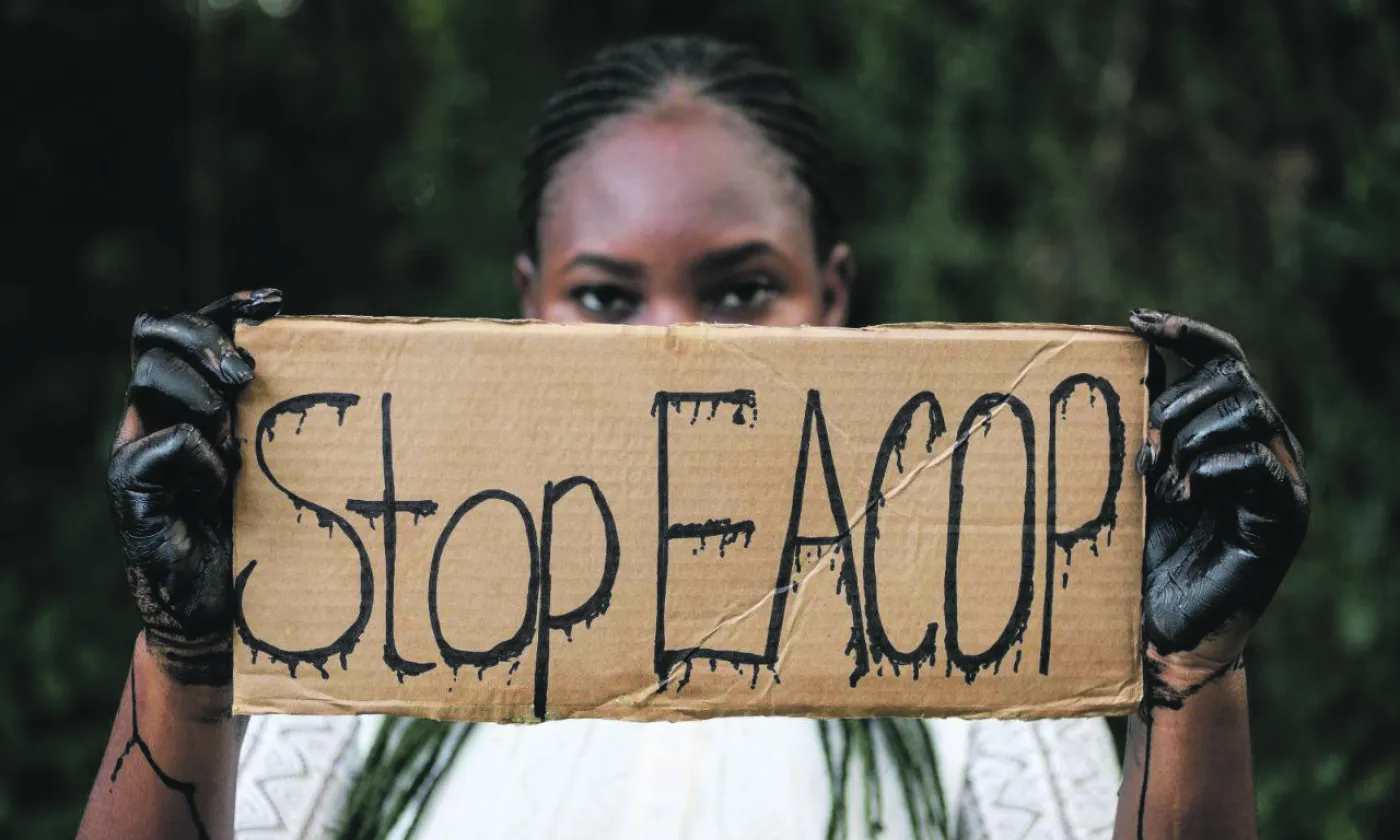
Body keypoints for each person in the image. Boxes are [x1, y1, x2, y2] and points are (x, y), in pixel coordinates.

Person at [77, 35, 1310, 840]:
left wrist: (1192, 674)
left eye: (737, 291)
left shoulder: (972, 694)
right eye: (606, 298)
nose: (669, 347)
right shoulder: (362, 669)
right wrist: (186, 663)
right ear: (527, 304)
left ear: (832, 298)